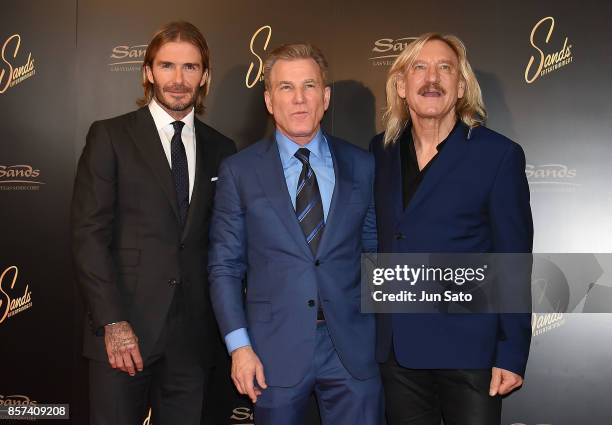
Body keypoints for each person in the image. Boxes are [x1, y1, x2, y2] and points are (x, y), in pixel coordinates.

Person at [71, 21, 236, 425]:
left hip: (194, 342)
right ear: (147, 72)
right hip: (123, 332)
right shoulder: (110, 136)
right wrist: (112, 321)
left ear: (205, 76)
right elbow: (88, 235)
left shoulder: (223, 148)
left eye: (190, 68)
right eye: (167, 66)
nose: (178, 80)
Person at [208, 43, 382, 425]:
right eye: (286, 88)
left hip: (351, 351)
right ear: (269, 100)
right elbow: (225, 267)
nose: (299, 99)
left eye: (309, 86)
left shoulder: (363, 165)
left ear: (326, 97)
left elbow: (374, 253)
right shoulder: (239, 172)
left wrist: (377, 335)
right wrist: (240, 348)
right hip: (272, 352)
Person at [370, 33, 533, 425]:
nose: (432, 78)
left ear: (460, 87)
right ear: (401, 86)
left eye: (445, 68)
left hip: (469, 353)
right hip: (398, 353)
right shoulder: (380, 152)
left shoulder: (497, 155)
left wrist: (510, 353)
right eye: (419, 68)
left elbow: (513, 260)